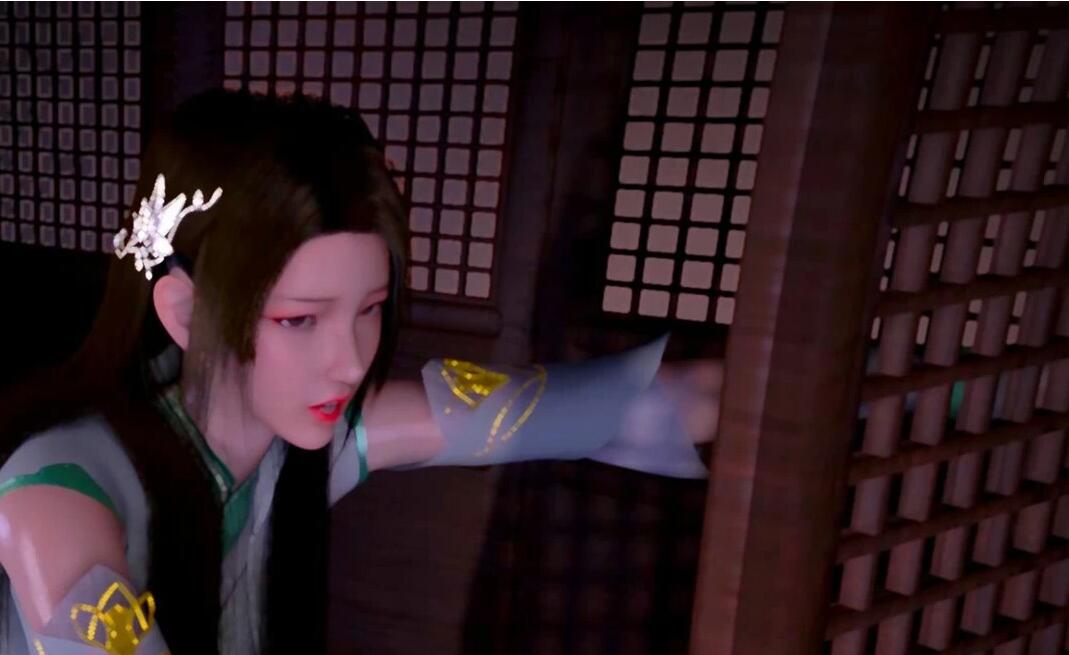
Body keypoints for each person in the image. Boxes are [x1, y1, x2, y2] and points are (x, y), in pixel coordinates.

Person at [0, 90, 716, 655]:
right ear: (186, 311)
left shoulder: (308, 439)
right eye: (300, 320)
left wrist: (759, 403)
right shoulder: (58, 494)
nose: (350, 361)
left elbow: (605, 409)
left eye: (370, 309)